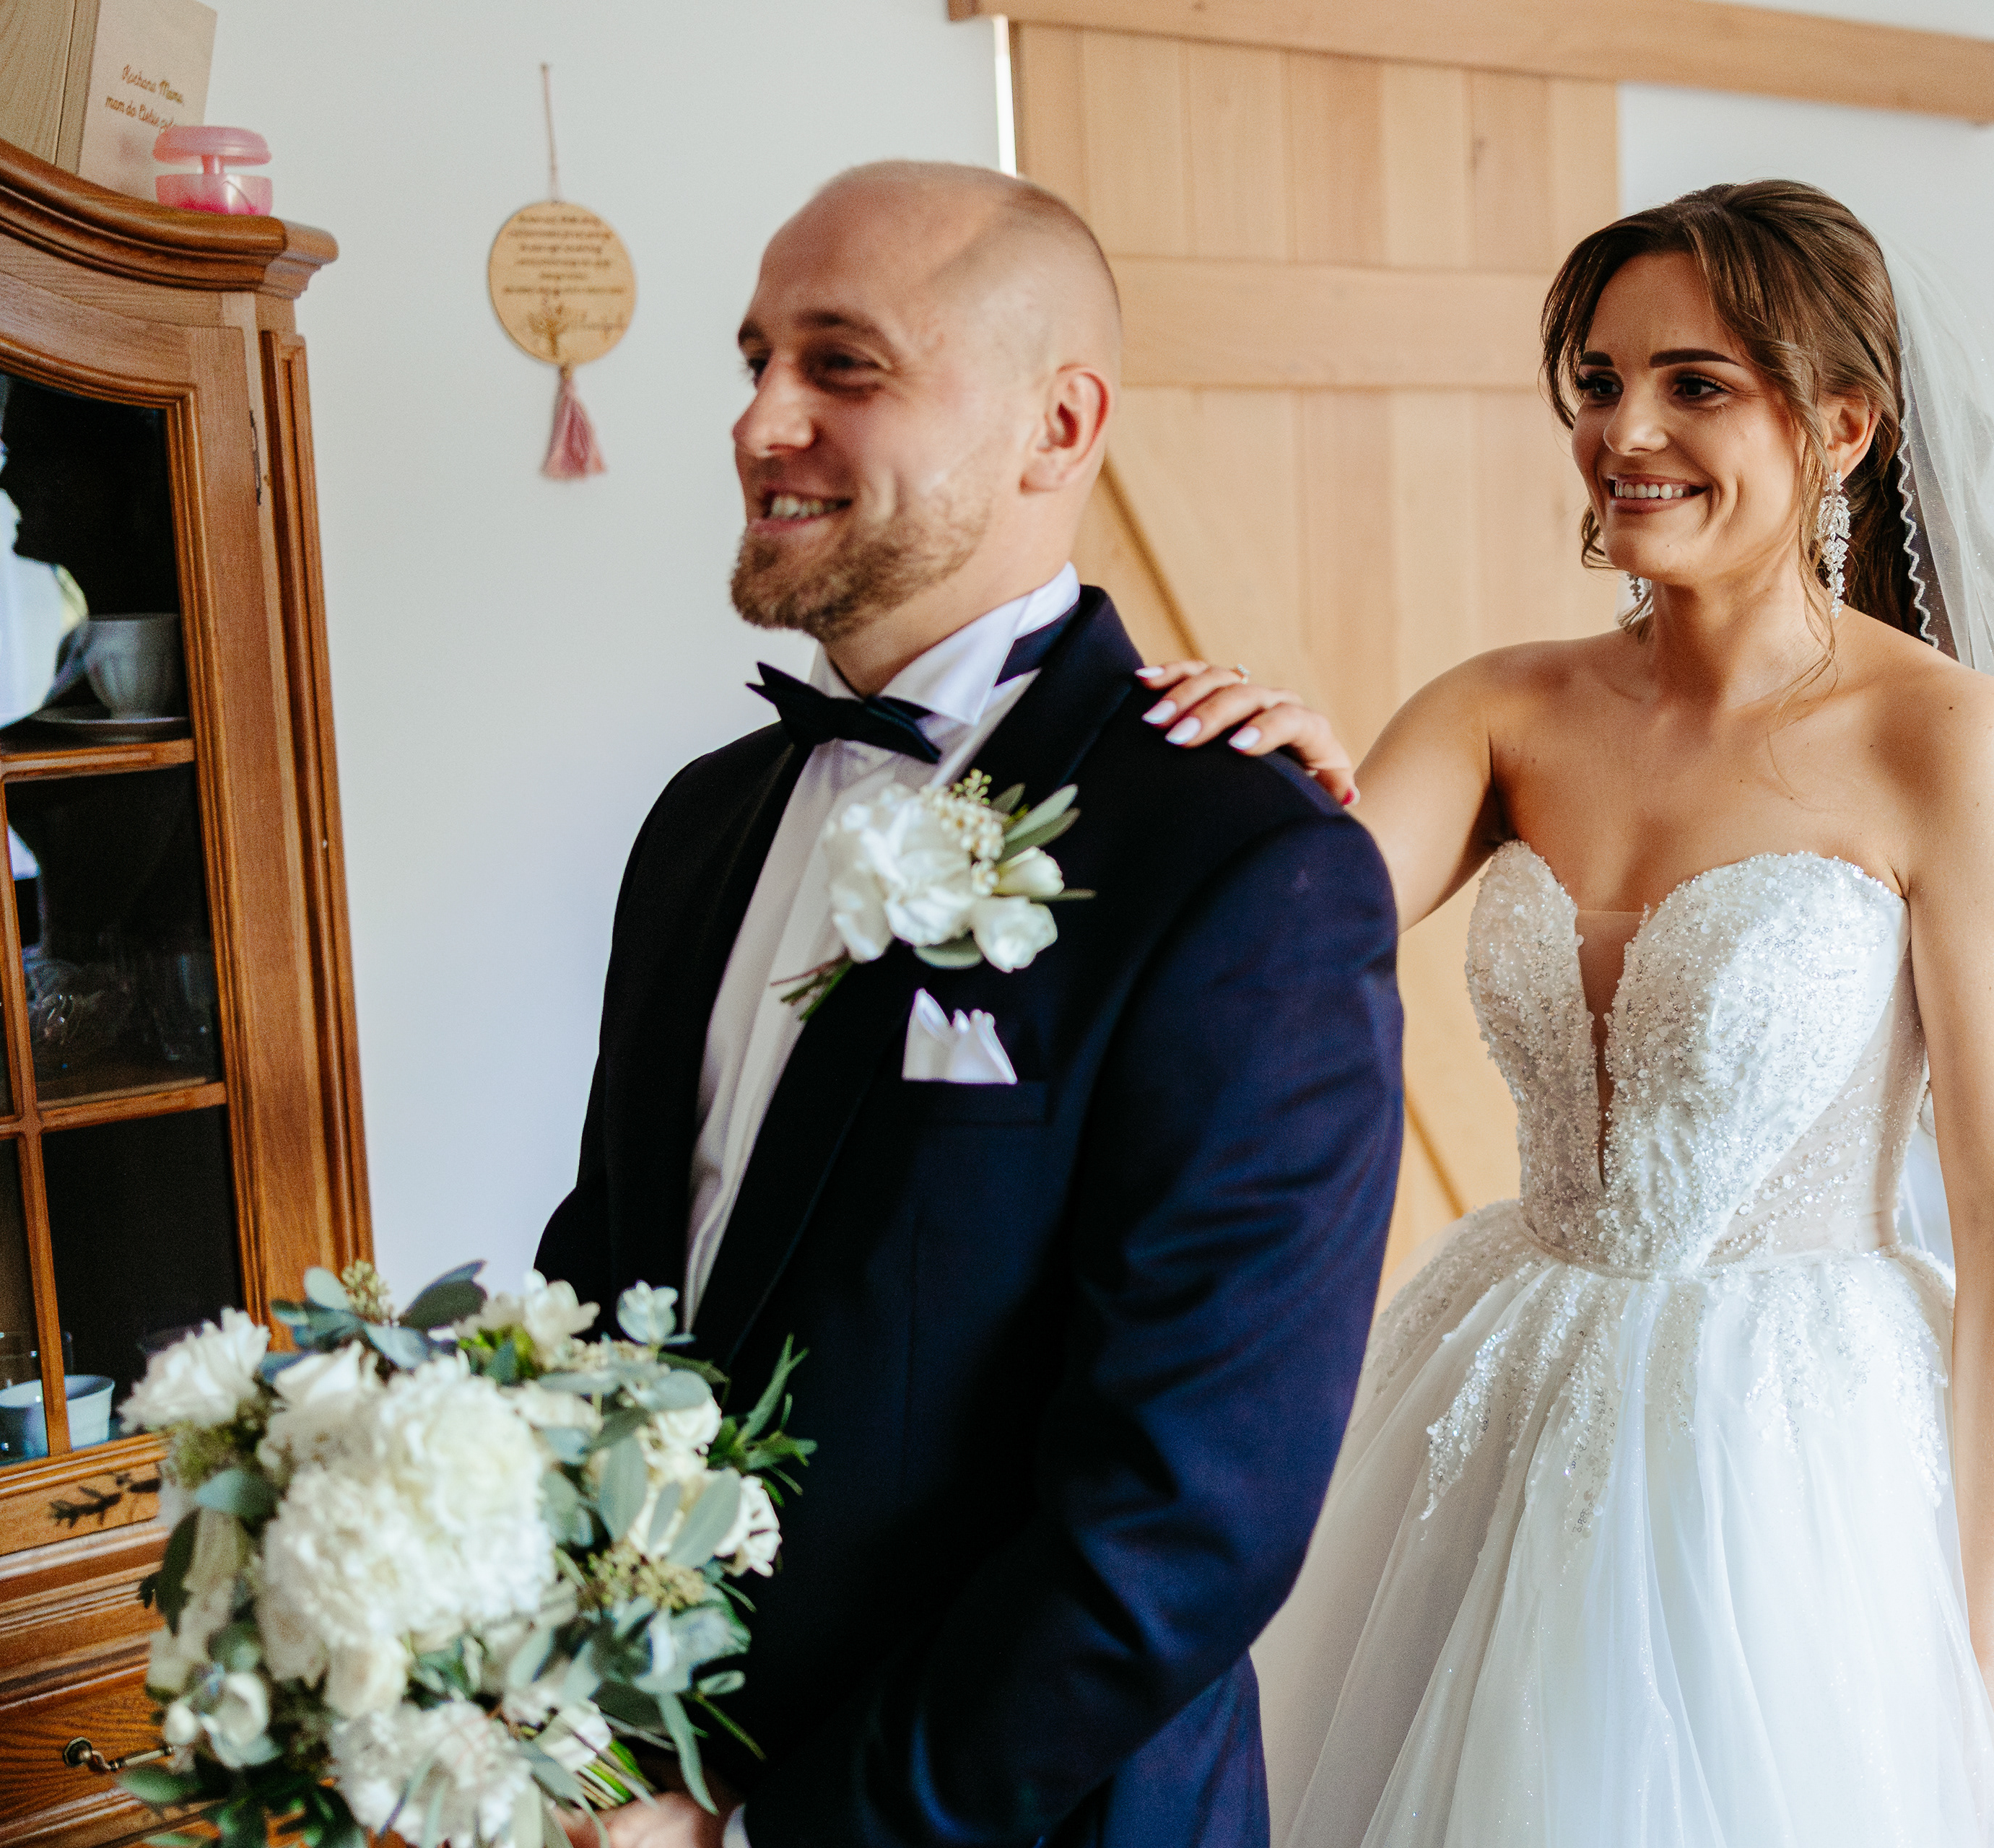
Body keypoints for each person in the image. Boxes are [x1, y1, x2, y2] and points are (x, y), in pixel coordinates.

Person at [1141, 182, 1994, 1846]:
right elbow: (1270, 936)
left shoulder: (1949, 747)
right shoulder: (1499, 707)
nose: (1624, 430)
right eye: (1599, 381)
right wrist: (1266, 782)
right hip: (1501, 1376)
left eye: (1694, 383)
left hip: (1801, 1450)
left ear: (1841, 425)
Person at [532, 162, 1406, 1848]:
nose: (760, 420)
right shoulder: (699, 825)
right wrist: (567, 1718)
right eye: (756, 359)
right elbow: (612, 1283)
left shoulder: (1237, 862)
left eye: (842, 364)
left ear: (1056, 426)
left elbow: (1182, 1518)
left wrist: (774, 1837)